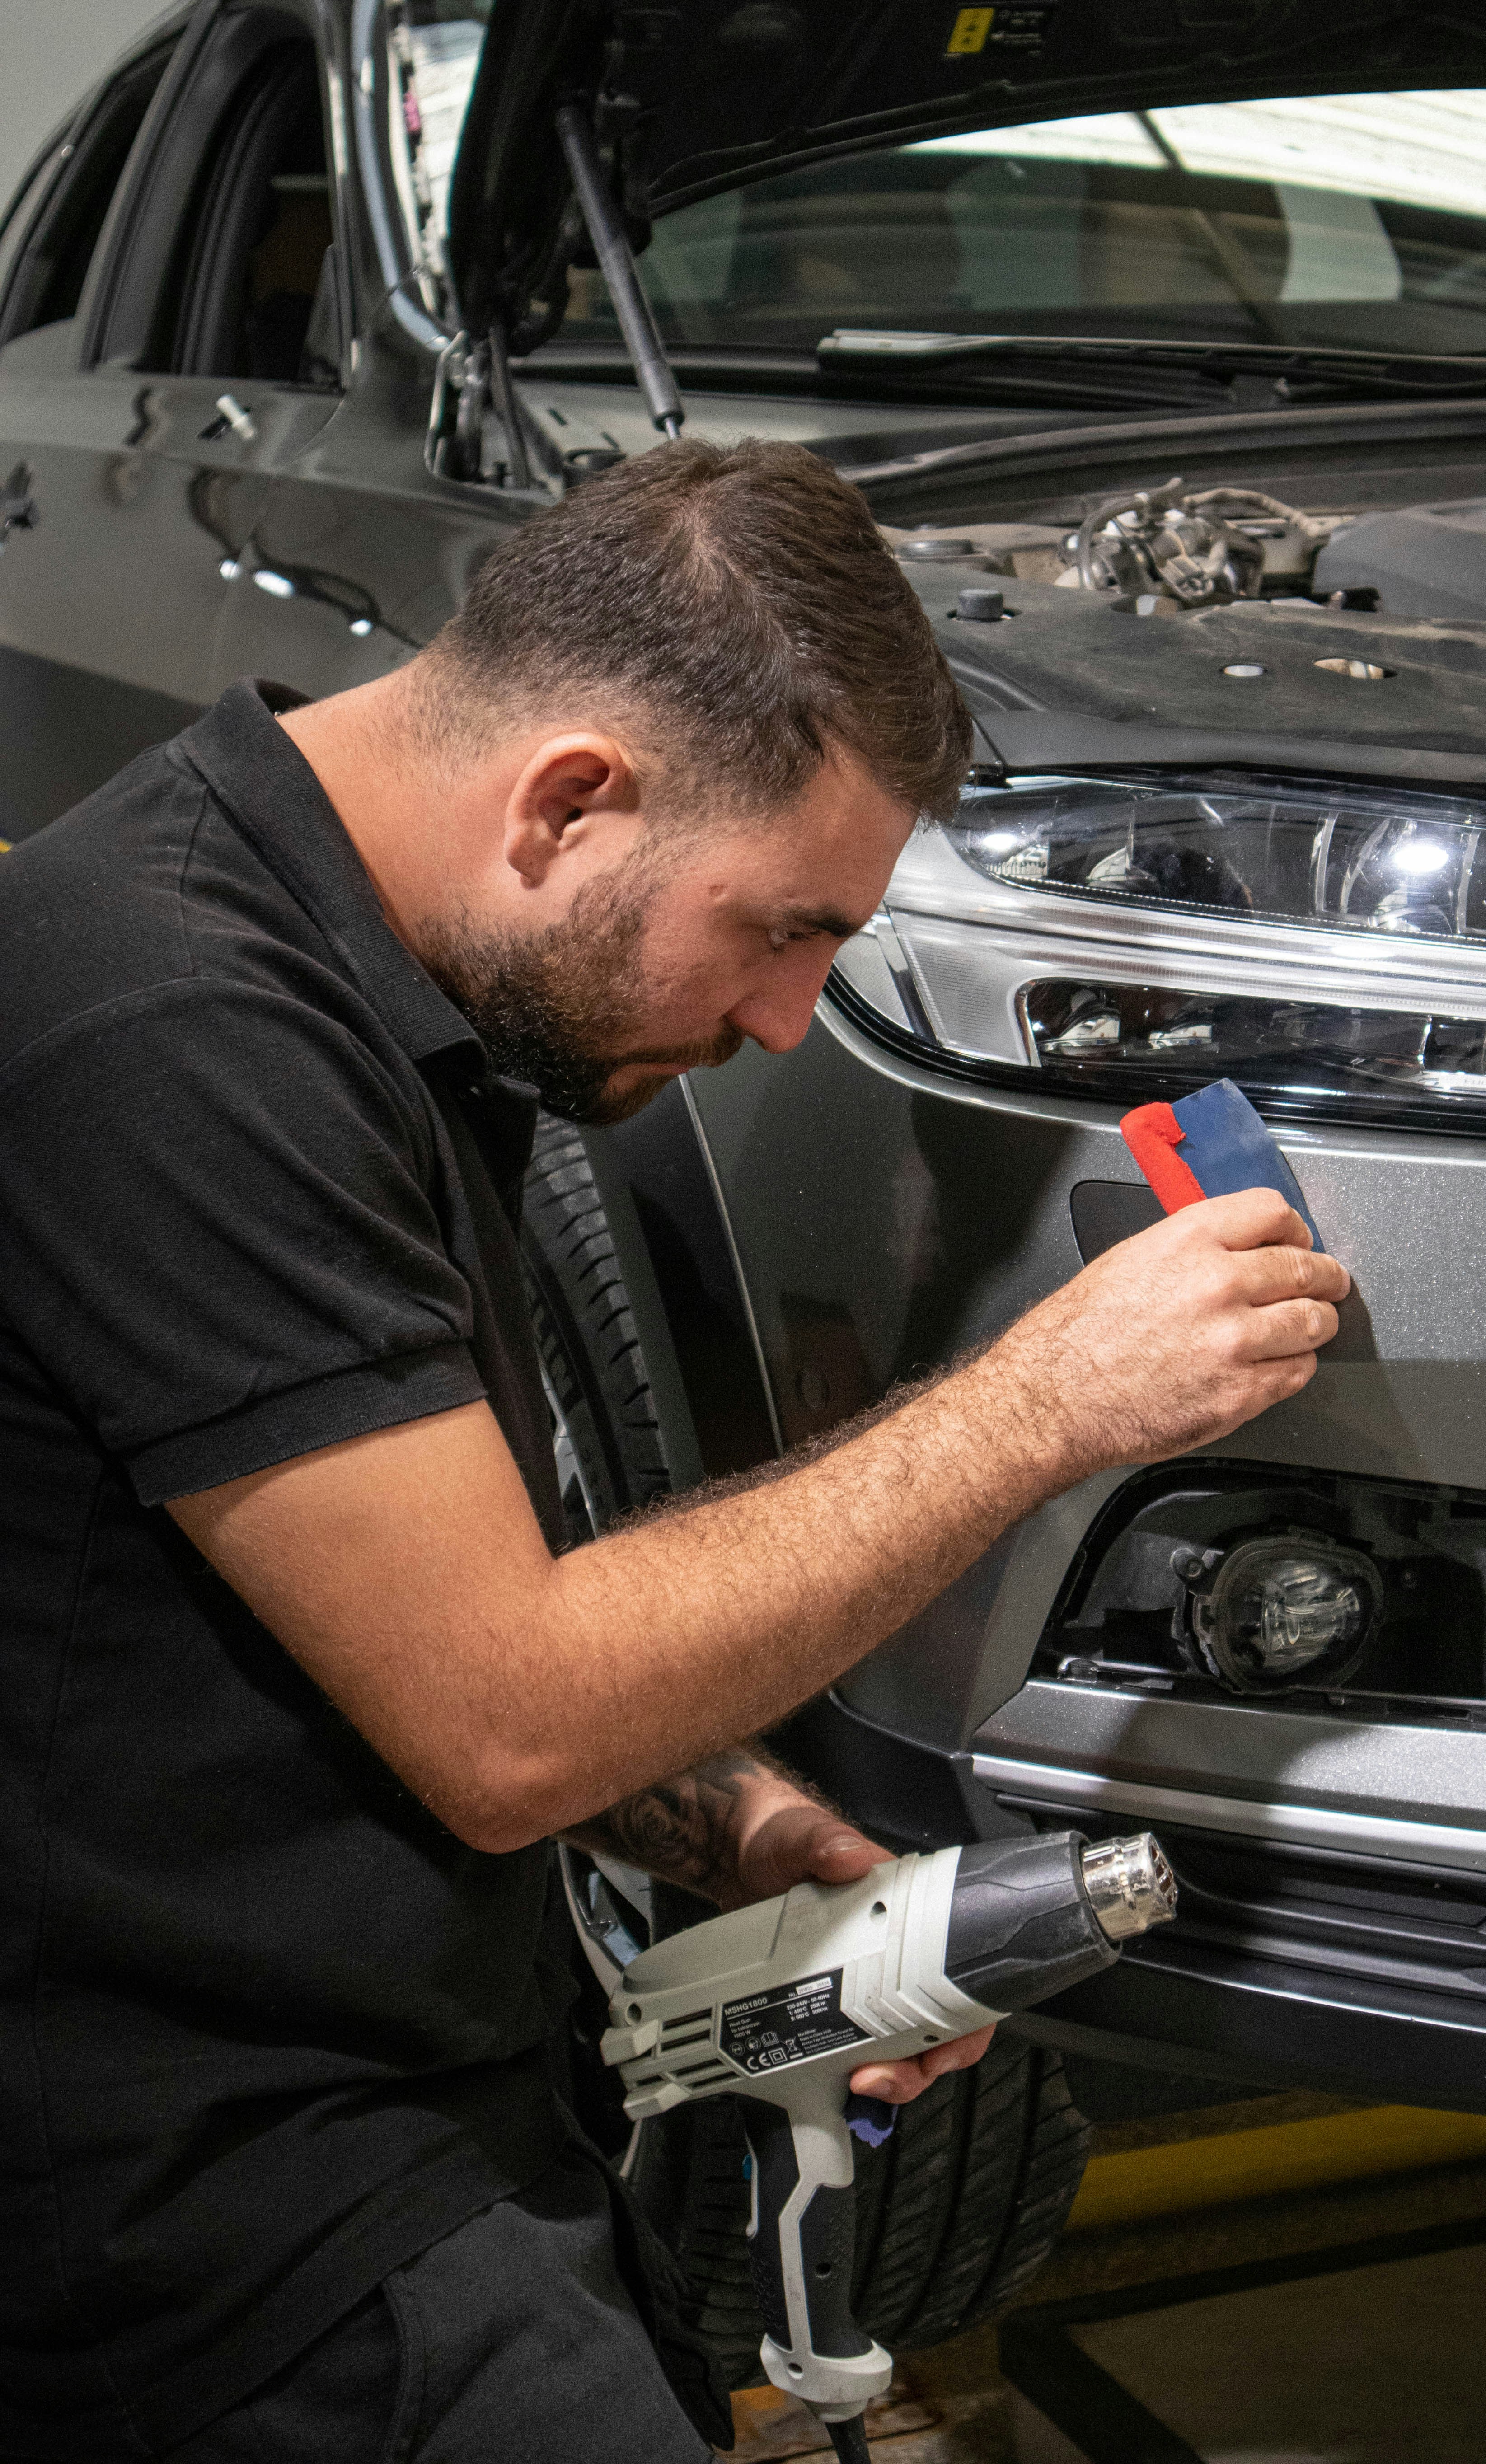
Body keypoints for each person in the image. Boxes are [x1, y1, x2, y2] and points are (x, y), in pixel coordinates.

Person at [0, 438, 1347, 2460]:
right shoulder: (176, 1032)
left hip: (433, 2097)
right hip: (219, 2229)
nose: (791, 1018)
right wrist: (1052, 1399)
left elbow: (394, 1619)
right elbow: (506, 1716)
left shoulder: (382, 981)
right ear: (569, 801)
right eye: (783, 930)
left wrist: (739, 1831)